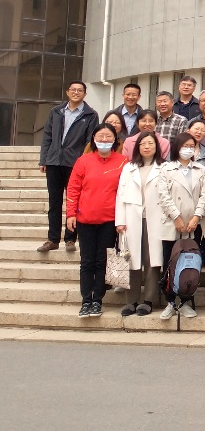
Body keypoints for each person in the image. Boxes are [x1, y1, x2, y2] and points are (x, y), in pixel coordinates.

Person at [66, 124, 126, 318]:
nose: (104, 140)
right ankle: (86, 300)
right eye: (100, 136)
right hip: (85, 219)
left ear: (115, 140)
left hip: (110, 220)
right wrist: (70, 213)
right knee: (87, 261)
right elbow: (73, 188)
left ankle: (97, 299)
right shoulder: (83, 160)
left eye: (109, 136)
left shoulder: (123, 162)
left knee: (102, 261)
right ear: (93, 139)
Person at [156, 131, 205, 319]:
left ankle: (186, 300)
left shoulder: (200, 169)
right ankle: (170, 301)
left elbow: (204, 195)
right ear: (176, 148)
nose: (188, 150)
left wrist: (196, 218)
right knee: (170, 261)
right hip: (172, 223)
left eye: (192, 146)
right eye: (185, 146)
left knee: (190, 262)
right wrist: (177, 218)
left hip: (194, 224)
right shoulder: (166, 169)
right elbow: (163, 196)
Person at [38, 81, 99, 254]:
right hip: (54, 161)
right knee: (54, 202)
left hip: (75, 164)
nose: (76, 93)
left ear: (85, 94)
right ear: (67, 92)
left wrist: (84, 162)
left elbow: (90, 142)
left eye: (80, 90)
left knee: (74, 202)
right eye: (73, 90)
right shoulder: (56, 111)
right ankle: (53, 239)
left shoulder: (90, 115)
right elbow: (47, 136)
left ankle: (70, 238)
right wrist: (44, 159)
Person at [115, 131, 164, 317]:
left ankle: (149, 300)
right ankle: (131, 300)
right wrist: (120, 220)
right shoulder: (129, 168)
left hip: (155, 218)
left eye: (150, 143)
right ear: (137, 147)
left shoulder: (164, 167)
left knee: (152, 260)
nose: (146, 146)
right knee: (131, 259)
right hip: (131, 219)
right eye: (143, 143)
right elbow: (120, 194)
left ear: (156, 146)